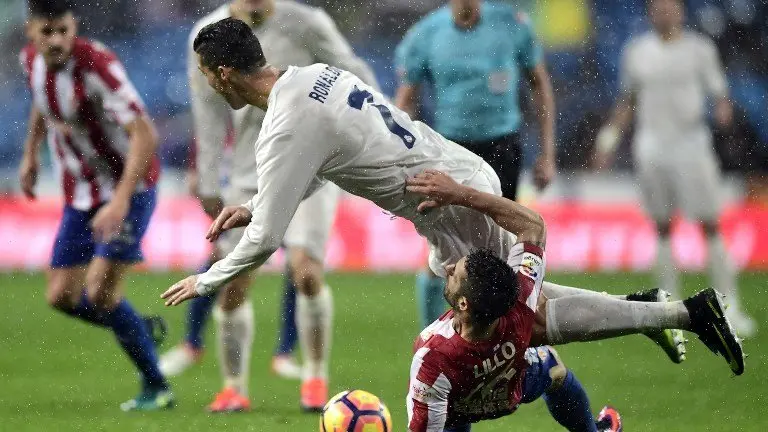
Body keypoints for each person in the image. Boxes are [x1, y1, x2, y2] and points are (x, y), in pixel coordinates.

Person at [160, 18, 743, 379]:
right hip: (457, 179)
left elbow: (265, 241)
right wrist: (261, 201)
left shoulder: (284, 126)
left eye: (206, 75)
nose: (207, 84)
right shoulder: (317, 76)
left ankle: (679, 314)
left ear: (223, 73)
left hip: (452, 204)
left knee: (523, 321)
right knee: (526, 308)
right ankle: (655, 309)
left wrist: (207, 280)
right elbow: (324, 164)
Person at [158, 0, 380, 412]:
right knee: (234, 282)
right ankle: (233, 388)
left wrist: (375, 126)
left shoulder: (307, 23)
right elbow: (208, 113)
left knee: (306, 271)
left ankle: (314, 378)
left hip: (314, 160)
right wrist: (208, 179)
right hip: (250, 168)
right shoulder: (208, 36)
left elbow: (353, 72)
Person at [404, 169, 741, 431]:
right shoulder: (519, 304)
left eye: (454, 275)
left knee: (448, 410)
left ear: (464, 304)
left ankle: (659, 310)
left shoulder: (432, 356)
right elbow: (533, 226)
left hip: (458, 402)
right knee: (552, 367)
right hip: (508, 387)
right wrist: (461, 194)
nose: (447, 269)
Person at [18, 0, 172, 411]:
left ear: (74, 26)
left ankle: (157, 386)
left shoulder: (97, 66)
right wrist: (31, 154)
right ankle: (137, 327)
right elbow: (41, 101)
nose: (56, 40)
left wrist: (120, 201)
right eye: (47, 32)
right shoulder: (30, 61)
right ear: (31, 30)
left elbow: (145, 134)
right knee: (60, 296)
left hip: (130, 188)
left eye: (63, 31)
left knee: (101, 293)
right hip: (81, 192)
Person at [593, 0, 756, 337]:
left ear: (681, 11)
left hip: (691, 144)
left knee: (710, 224)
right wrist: (608, 139)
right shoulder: (637, 51)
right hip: (652, 146)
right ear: (650, 12)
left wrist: (724, 113)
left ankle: (730, 309)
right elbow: (627, 102)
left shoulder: (699, 49)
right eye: (658, 8)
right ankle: (668, 310)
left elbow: (720, 94)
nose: (664, 13)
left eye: (670, 7)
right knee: (662, 227)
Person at [394, 0, 557, 328]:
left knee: (504, 249)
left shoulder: (512, 24)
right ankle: (434, 334)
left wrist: (548, 153)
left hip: (501, 149)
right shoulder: (425, 34)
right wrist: (402, 157)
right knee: (443, 246)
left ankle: (503, 332)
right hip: (451, 151)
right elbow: (406, 100)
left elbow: (539, 84)